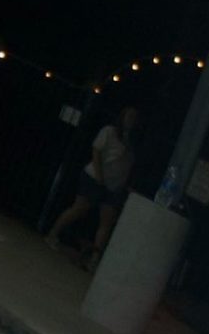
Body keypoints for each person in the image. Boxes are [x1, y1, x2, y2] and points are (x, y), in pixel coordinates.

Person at [46, 106, 141, 259]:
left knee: (106, 221)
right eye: (129, 116)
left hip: (113, 186)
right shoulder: (109, 131)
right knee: (79, 209)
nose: (131, 120)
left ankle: (94, 258)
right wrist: (98, 174)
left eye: (134, 118)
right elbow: (96, 150)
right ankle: (53, 234)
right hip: (95, 177)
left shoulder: (130, 142)